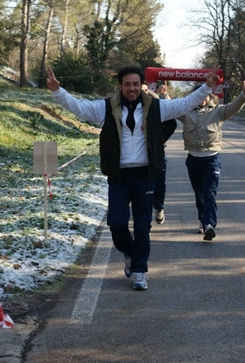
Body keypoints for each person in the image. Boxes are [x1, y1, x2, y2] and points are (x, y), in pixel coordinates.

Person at [46, 65, 219, 290]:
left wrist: (207, 87)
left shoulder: (156, 107)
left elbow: (184, 103)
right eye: (127, 84)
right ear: (120, 86)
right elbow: (78, 107)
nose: (132, 88)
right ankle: (129, 251)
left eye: (136, 84)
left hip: (145, 176)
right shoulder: (105, 108)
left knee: (142, 225)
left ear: (141, 85)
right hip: (119, 177)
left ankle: (139, 270)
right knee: (116, 223)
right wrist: (58, 91)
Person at [177, 81, 245, 241]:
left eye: (205, 95)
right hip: (193, 160)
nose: (202, 98)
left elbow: (234, 107)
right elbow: (170, 107)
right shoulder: (185, 111)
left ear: (210, 96)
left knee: (209, 193)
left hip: (211, 160)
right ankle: (203, 219)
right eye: (199, 95)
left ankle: (209, 225)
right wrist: (163, 94)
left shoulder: (218, 111)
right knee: (199, 194)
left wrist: (243, 95)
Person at [142, 81, 177, 224]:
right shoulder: (128, 105)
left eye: (145, 90)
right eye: (141, 89)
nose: (142, 92)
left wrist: (159, 139)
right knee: (142, 187)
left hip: (157, 154)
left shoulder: (155, 104)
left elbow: (172, 123)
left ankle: (159, 207)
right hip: (138, 156)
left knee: (159, 186)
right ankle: (143, 220)